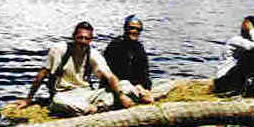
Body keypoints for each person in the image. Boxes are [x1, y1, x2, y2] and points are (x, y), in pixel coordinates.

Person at [14, 21, 153, 116]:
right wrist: (28, 99)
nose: (83, 41)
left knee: (125, 85)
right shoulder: (59, 50)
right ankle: (94, 109)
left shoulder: (92, 53)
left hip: (86, 93)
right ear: (74, 37)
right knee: (58, 102)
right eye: (80, 38)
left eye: (87, 38)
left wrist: (121, 95)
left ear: (91, 40)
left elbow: (109, 76)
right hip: (64, 94)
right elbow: (42, 74)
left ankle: (97, 107)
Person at [211, 15, 254, 95]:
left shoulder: (251, 41)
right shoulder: (236, 40)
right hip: (223, 81)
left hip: (235, 79)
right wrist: (252, 30)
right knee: (252, 54)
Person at [103, 15, 151, 90]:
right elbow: (119, 74)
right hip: (118, 86)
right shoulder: (116, 46)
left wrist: (146, 88)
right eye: (132, 28)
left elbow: (144, 72)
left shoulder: (139, 47)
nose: (135, 31)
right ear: (125, 29)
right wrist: (138, 86)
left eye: (138, 29)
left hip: (135, 85)